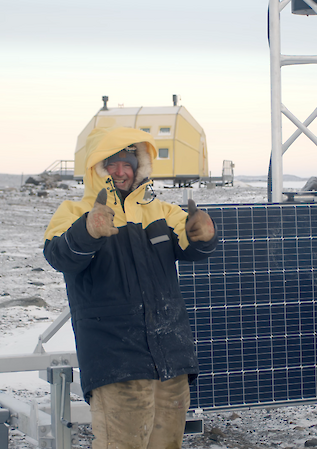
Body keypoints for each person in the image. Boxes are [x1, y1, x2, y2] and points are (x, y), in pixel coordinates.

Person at [43, 126, 217, 449]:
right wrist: (88, 230)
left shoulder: (160, 211)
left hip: (170, 360)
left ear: (140, 168)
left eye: (129, 163)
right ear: (97, 167)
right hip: (117, 362)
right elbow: (59, 255)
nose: (121, 171)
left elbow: (190, 241)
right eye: (113, 163)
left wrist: (202, 235)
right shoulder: (74, 212)